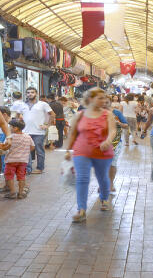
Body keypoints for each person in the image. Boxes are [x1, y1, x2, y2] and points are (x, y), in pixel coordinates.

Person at [65, 88, 116, 223]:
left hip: (102, 151)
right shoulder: (80, 115)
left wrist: (107, 141)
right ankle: (81, 209)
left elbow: (113, 131)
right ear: (90, 99)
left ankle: (104, 198)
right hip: (82, 151)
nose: (104, 100)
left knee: (102, 177)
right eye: (100, 98)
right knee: (82, 179)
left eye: (104, 98)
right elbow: (73, 134)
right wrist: (68, 150)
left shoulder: (107, 114)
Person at [19, 87, 55, 174]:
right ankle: (28, 169)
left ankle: (40, 168)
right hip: (25, 132)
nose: (30, 94)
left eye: (32, 92)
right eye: (28, 92)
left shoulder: (42, 104)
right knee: (26, 151)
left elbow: (52, 114)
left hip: (38, 131)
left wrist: (47, 125)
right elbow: (18, 115)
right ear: (26, 94)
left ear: (36, 94)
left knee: (39, 151)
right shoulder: (22, 105)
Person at [3, 119, 34, 199]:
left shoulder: (10, 137)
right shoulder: (27, 136)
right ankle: (20, 193)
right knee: (21, 176)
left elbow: (4, 147)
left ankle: (12, 192)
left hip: (11, 161)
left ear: (15, 128)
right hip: (23, 161)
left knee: (9, 176)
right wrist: (25, 151)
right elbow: (32, 147)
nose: (9, 128)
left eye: (10, 126)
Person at [106, 98, 129, 193]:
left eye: (106, 101)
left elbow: (126, 125)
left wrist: (119, 123)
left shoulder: (117, 113)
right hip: (100, 141)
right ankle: (103, 183)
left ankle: (110, 183)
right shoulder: (97, 113)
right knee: (101, 164)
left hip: (116, 142)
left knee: (112, 163)